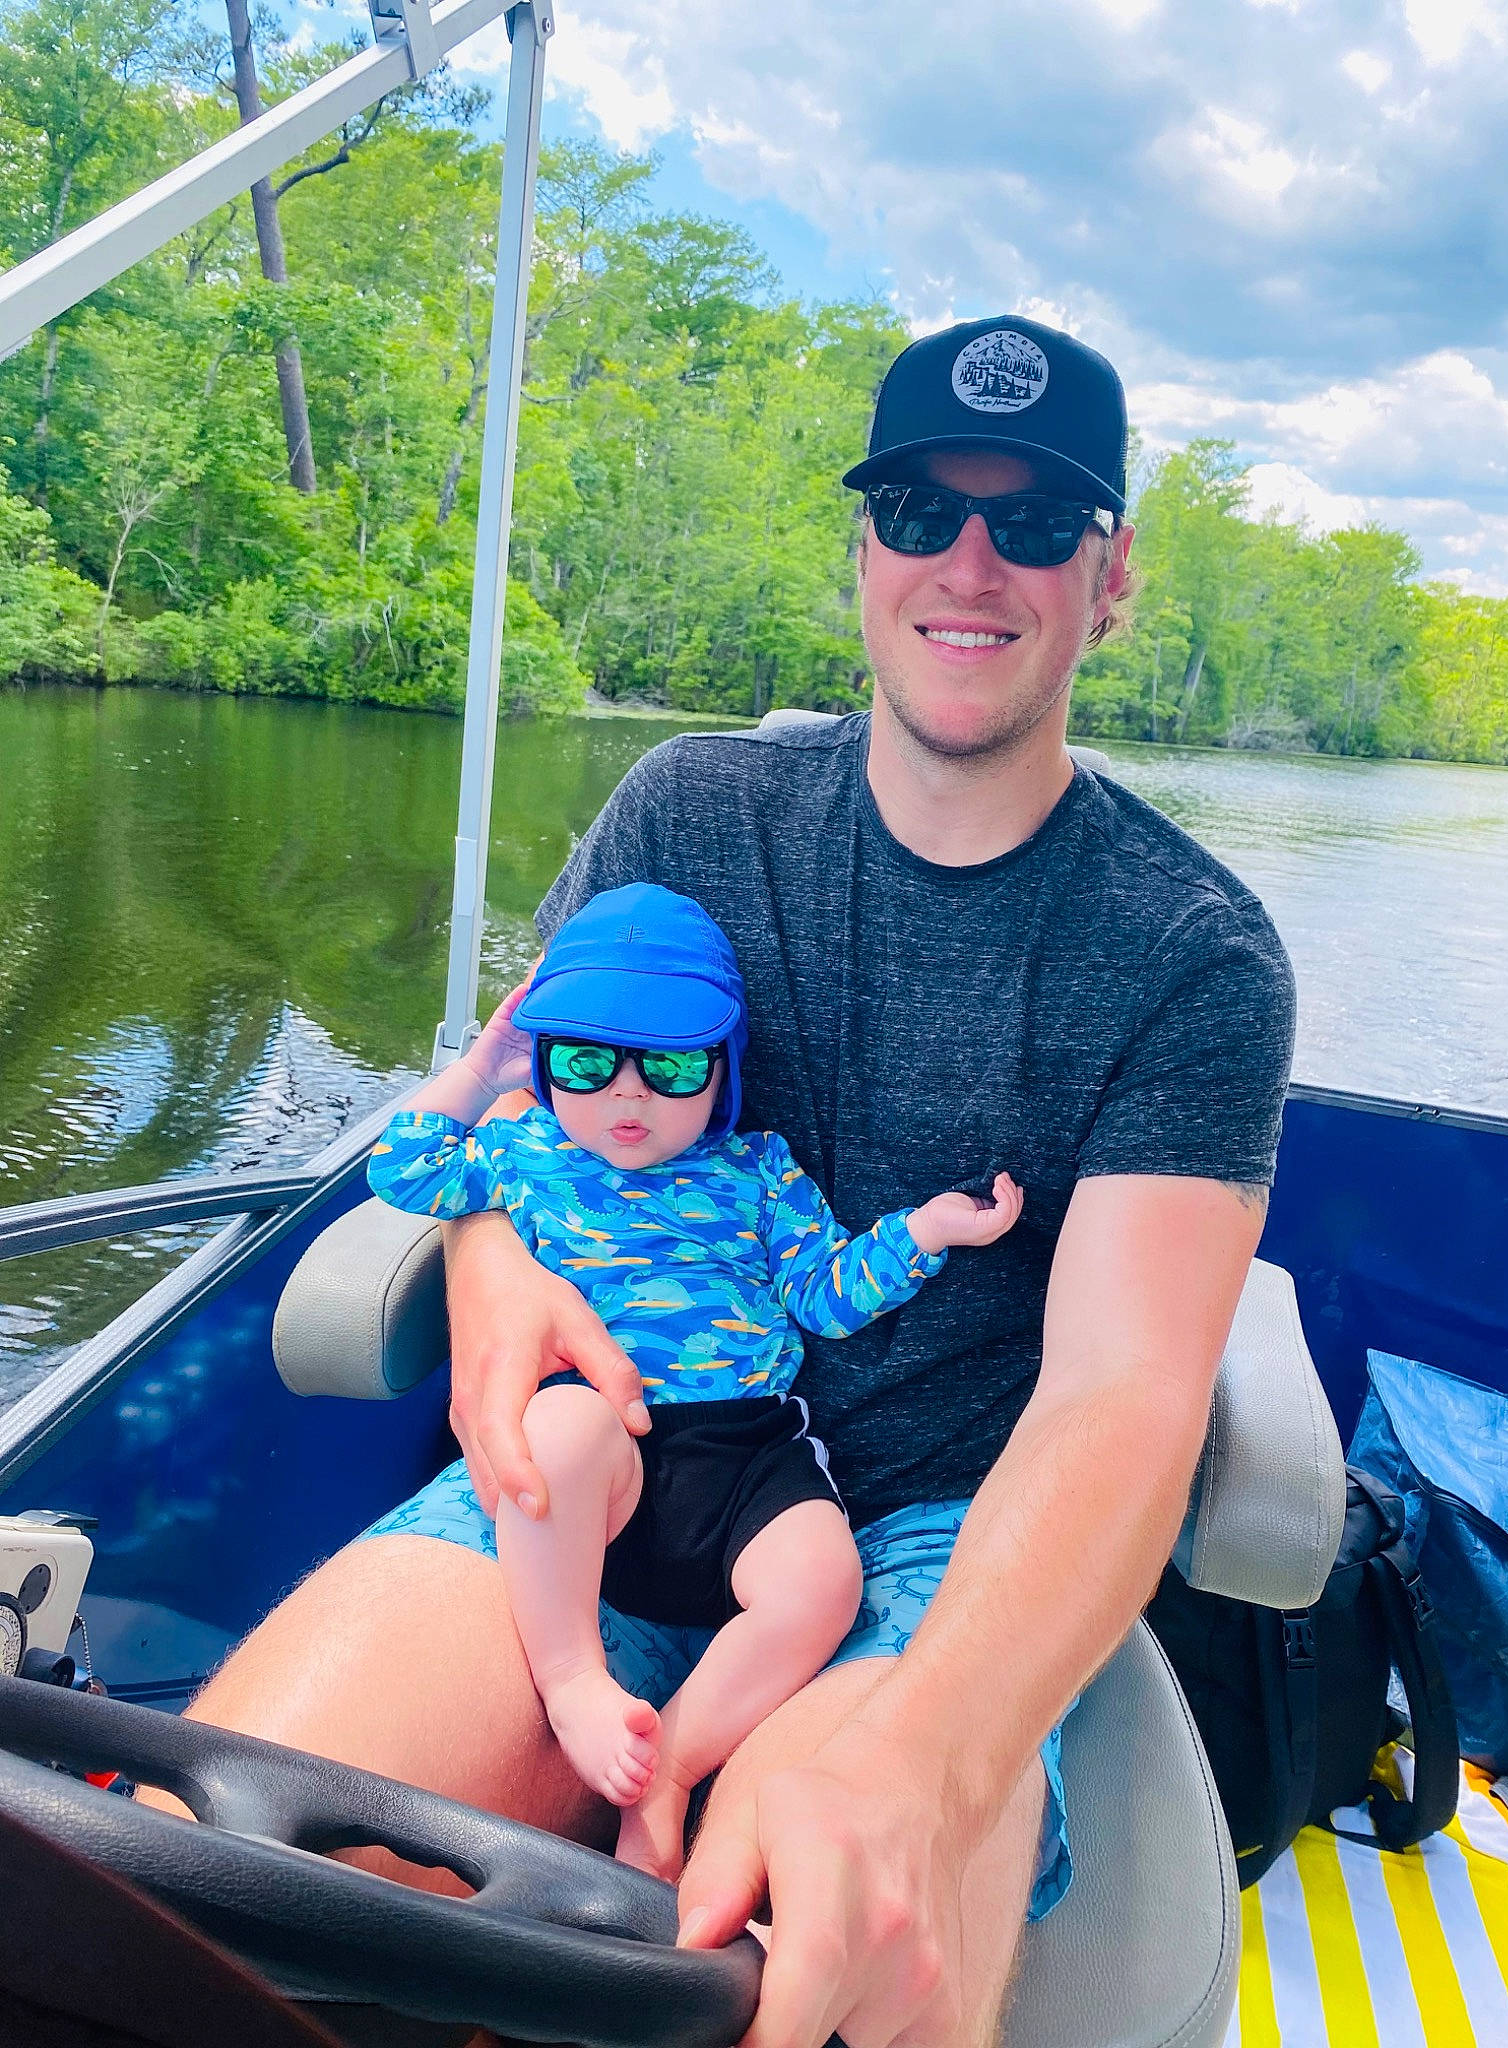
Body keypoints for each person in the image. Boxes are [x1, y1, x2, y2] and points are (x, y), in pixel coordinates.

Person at [166, 314, 1295, 2048]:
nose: (966, 561)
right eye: (917, 510)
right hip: (606, 1446)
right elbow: (519, 1121)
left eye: (1035, 522)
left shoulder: (1191, 953)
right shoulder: (683, 812)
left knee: (823, 1974)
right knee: (204, 1900)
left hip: (932, 1537)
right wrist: (488, 1260)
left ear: (1112, 573)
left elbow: (1121, 1395)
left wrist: (929, 1732)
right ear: (862, 553)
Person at [363, 882, 1021, 1876]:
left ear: (723, 1071)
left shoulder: (759, 1169)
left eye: (670, 1067)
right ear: (546, 1063)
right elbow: (400, 1166)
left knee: (822, 1583)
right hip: (606, 1448)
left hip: (746, 1449)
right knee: (559, 1436)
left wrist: (924, 1231)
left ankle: (666, 1764)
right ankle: (575, 1676)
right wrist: (480, 1066)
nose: (628, 1095)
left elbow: (825, 1293)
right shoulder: (518, 1147)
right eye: (587, 1061)